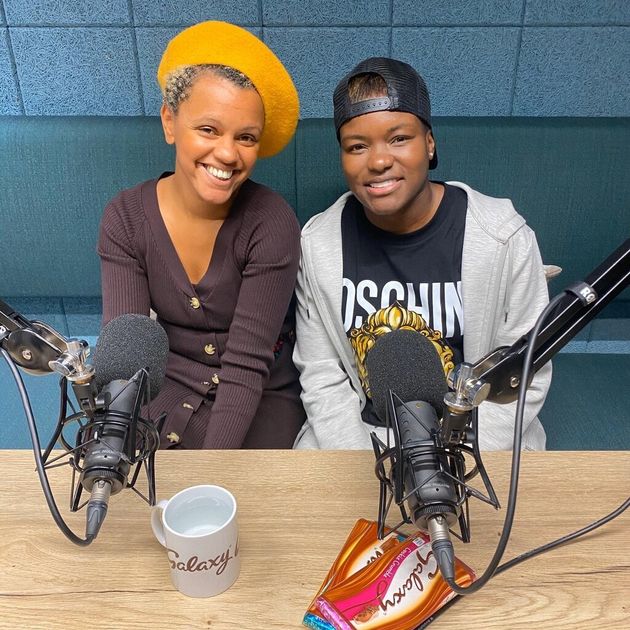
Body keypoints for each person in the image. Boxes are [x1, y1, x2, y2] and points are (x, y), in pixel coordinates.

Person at [293, 57, 552, 451]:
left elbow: (523, 374)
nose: (379, 161)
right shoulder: (318, 243)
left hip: (477, 439)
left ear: (429, 144)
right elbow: (322, 375)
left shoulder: (502, 236)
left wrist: (459, 460)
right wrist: (371, 468)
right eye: (357, 146)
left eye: (399, 139)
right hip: (363, 439)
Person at [97, 22, 305, 449]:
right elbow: (127, 353)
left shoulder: (271, 222)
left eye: (246, 137)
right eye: (209, 130)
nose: (227, 153)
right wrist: (116, 438)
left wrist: (211, 472)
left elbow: (247, 365)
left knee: (247, 504)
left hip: (259, 393)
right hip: (168, 383)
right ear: (170, 122)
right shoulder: (126, 219)